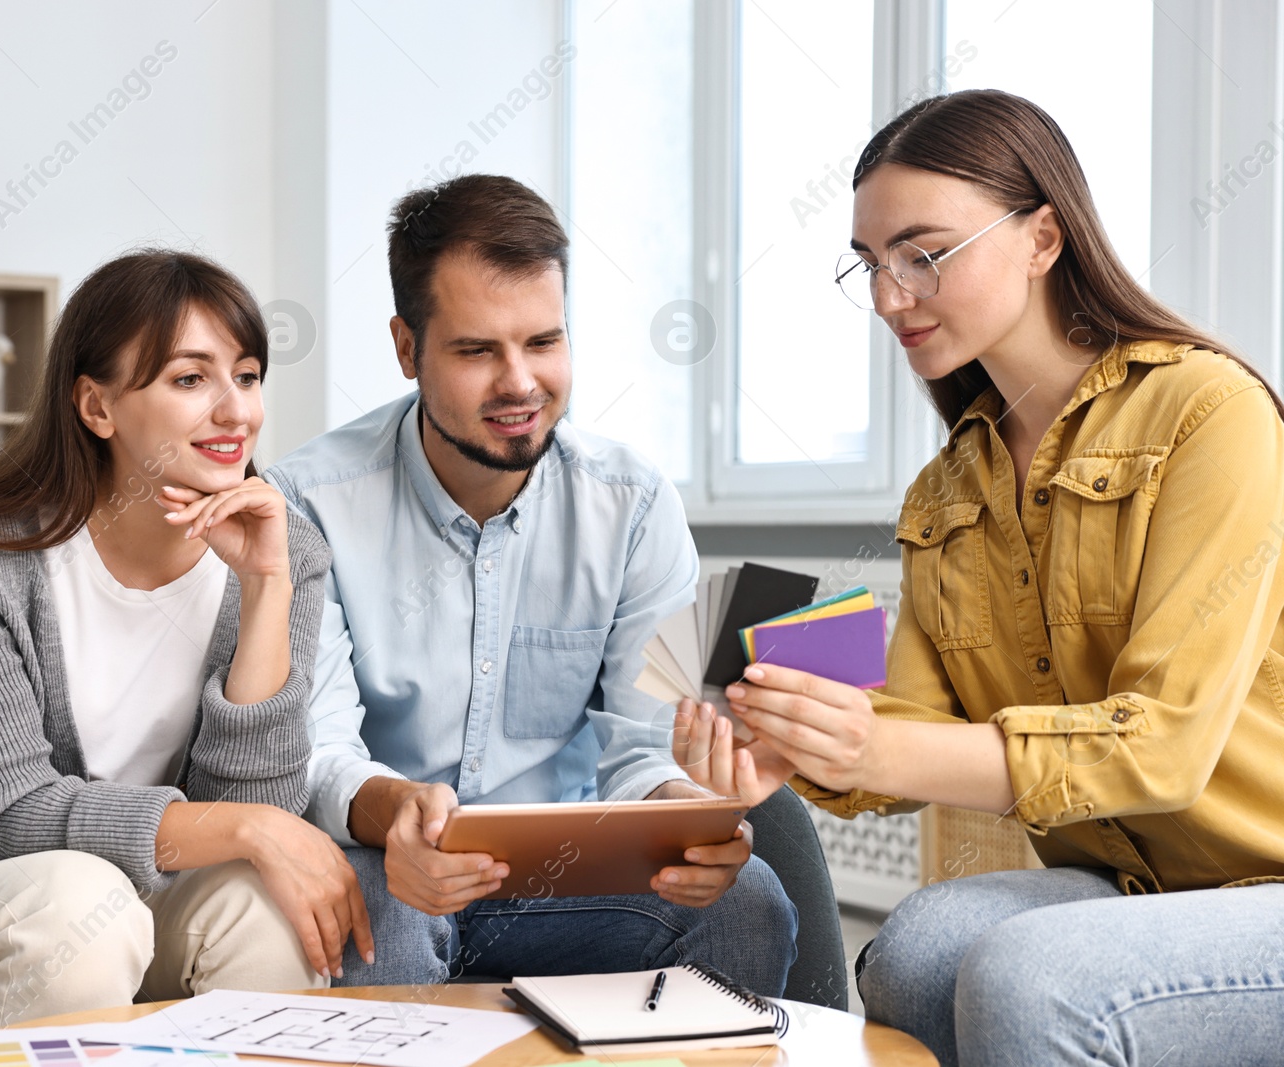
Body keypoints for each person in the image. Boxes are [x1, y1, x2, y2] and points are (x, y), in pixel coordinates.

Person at [673, 90, 1284, 1066]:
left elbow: (1161, 749)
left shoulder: (1208, 413)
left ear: (1043, 236)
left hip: (1266, 885)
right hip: (1129, 884)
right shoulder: (948, 484)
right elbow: (910, 721)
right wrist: (794, 750)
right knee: (915, 951)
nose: (887, 295)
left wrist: (871, 750)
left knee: (1026, 975)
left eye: (924, 254)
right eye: (869, 264)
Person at [265, 174, 797, 992]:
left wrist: (683, 817)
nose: (520, 382)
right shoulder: (307, 501)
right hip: (388, 863)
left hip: (567, 882)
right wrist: (399, 815)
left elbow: (643, 741)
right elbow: (314, 746)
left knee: (746, 900)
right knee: (384, 917)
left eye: (543, 342)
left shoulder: (631, 503)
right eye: (478, 350)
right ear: (408, 348)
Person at [0, 250, 372, 1028]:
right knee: (78, 902)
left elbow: (251, 811)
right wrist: (252, 827)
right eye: (191, 379)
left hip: (141, 900)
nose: (236, 411)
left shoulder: (288, 552)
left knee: (266, 909)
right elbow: (16, 812)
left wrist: (265, 590)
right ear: (97, 407)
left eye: (247, 375)